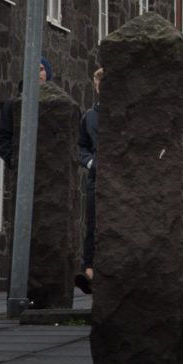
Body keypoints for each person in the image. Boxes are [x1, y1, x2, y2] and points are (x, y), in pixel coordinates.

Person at [0, 57, 52, 170]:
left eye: (41, 69)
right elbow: (3, 136)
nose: (37, 74)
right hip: (21, 170)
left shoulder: (56, 104)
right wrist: (12, 160)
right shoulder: (13, 105)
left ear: (47, 73)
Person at [76, 67, 103, 295]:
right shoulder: (89, 116)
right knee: (93, 224)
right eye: (99, 83)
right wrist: (90, 162)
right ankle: (89, 270)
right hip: (97, 176)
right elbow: (80, 147)